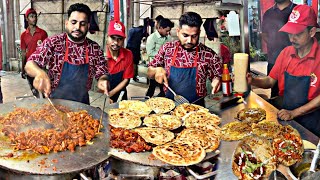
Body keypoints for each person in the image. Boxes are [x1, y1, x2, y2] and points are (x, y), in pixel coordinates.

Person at [247, 5, 320, 137]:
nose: (292, 39)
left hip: (312, 125)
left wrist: (294, 112)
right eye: (290, 33)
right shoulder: (286, 53)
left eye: (297, 34)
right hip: (287, 120)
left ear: (312, 32)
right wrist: (253, 81)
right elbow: (270, 81)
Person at [25, 3, 108, 104]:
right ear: (66, 23)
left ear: (88, 26)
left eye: (82, 23)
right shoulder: (53, 42)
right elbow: (30, 64)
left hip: (82, 106)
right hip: (54, 104)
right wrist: (39, 73)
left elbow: (102, 73)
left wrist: (103, 80)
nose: (77, 27)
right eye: (74, 22)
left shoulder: (94, 48)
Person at [148, 12, 222, 106]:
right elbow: (149, 72)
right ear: (178, 32)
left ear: (199, 33)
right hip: (169, 105)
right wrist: (157, 70)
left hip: (197, 109)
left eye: (194, 36)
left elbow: (217, 76)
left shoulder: (209, 54)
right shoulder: (167, 48)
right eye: (185, 35)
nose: (189, 41)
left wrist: (217, 81)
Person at [261, 0, 296, 98]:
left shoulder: (297, 11)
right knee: (275, 94)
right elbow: (264, 34)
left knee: (294, 95)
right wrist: (273, 45)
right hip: (273, 60)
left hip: (294, 62)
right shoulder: (268, 13)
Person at [20, 8, 48, 98]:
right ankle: (38, 105)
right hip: (29, 66)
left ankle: (44, 106)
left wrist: (45, 68)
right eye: (32, 16)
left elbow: (46, 51)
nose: (34, 18)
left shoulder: (43, 33)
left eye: (35, 16)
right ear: (27, 19)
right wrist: (23, 68)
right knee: (34, 89)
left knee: (43, 89)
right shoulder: (23, 35)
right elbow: (23, 53)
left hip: (40, 67)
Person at [106, 20, 134, 102]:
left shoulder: (128, 54)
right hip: (101, 95)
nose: (116, 42)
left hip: (120, 94)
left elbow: (126, 79)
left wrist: (110, 94)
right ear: (107, 37)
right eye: (113, 38)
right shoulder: (100, 56)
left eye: (120, 39)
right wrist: (104, 97)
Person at [146, 18, 174, 98]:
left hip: (165, 67)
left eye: (169, 31)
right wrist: (163, 54)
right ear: (160, 28)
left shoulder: (168, 38)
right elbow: (150, 52)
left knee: (164, 86)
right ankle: (146, 101)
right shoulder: (152, 38)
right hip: (154, 67)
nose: (168, 33)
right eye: (167, 30)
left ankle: (162, 102)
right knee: (152, 87)